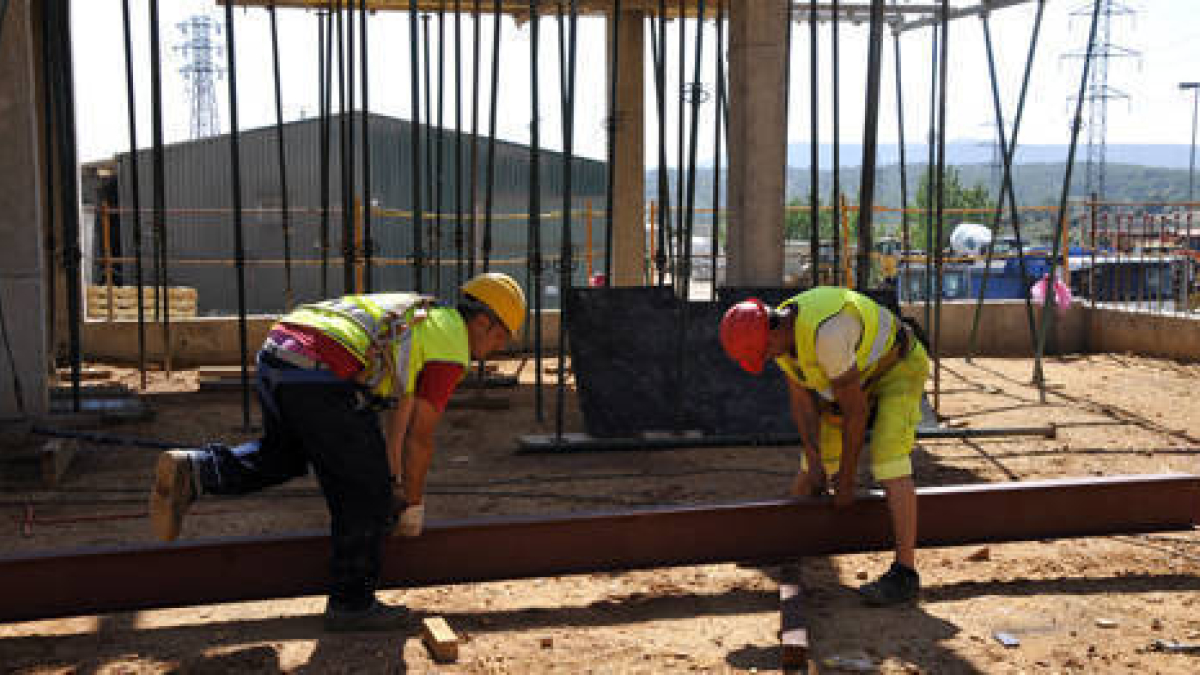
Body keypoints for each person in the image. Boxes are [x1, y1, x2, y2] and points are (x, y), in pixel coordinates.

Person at [149, 272, 526, 631]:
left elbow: (402, 413)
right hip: (322, 370)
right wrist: (411, 503)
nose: (500, 347)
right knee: (364, 492)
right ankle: (352, 604)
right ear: (483, 323)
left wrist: (393, 481)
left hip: (281, 351)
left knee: (284, 456)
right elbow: (420, 438)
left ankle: (197, 470)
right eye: (502, 336)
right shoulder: (452, 345)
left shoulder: (426, 318)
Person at [718, 286, 929, 606]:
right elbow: (802, 403)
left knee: (889, 461)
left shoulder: (827, 333)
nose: (768, 358)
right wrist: (816, 462)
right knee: (810, 470)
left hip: (897, 367)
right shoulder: (780, 334)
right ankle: (783, 542)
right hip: (853, 376)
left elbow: (856, 412)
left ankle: (905, 573)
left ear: (771, 333)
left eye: (764, 352)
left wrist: (846, 479)